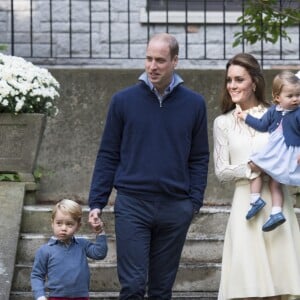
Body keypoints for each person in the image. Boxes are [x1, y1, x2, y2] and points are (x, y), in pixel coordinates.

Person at [88, 32, 209, 299]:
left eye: (160, 60)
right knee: (132, 286)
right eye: (148, 59)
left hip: (175, 207)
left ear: (175, 61)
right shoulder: (123, 101)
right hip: (133, 204)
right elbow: (108, 153)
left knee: (160, 290)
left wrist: (194, 202)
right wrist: (97, 201)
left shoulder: (194, 104)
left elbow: (199, 157)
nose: (152, 66)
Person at [213, 53, 300, 300]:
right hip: (245, 208)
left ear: (254, 82)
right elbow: (221, 170)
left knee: (282, 288)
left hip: (277, 206)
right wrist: (254, 167)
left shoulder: (280, 112)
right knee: (247, 288)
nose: (232, 85)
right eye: (229, 80)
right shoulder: (223, 123)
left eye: (239, 79)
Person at [235, 70, 300, 232]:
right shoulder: (273, 111)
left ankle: (263, 203)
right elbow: (262, 125)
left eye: (298, 95)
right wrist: (246, 117)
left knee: (264, 171)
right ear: (277, 97)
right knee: (266, 175)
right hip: (274, 152)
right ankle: (272, 210)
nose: (295, 99)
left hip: (287, 153)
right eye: (290, 96)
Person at [31, 199, 108, 300]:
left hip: (81, 297)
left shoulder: (82, 244)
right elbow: (37, 275)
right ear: (52, 223)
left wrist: (100, 232)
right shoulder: (45, 250)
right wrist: (40, 296)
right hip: (56, 297)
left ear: (78, 226)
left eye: (69, 224)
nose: (63, 228)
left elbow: (99, 253)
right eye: (59, 223)